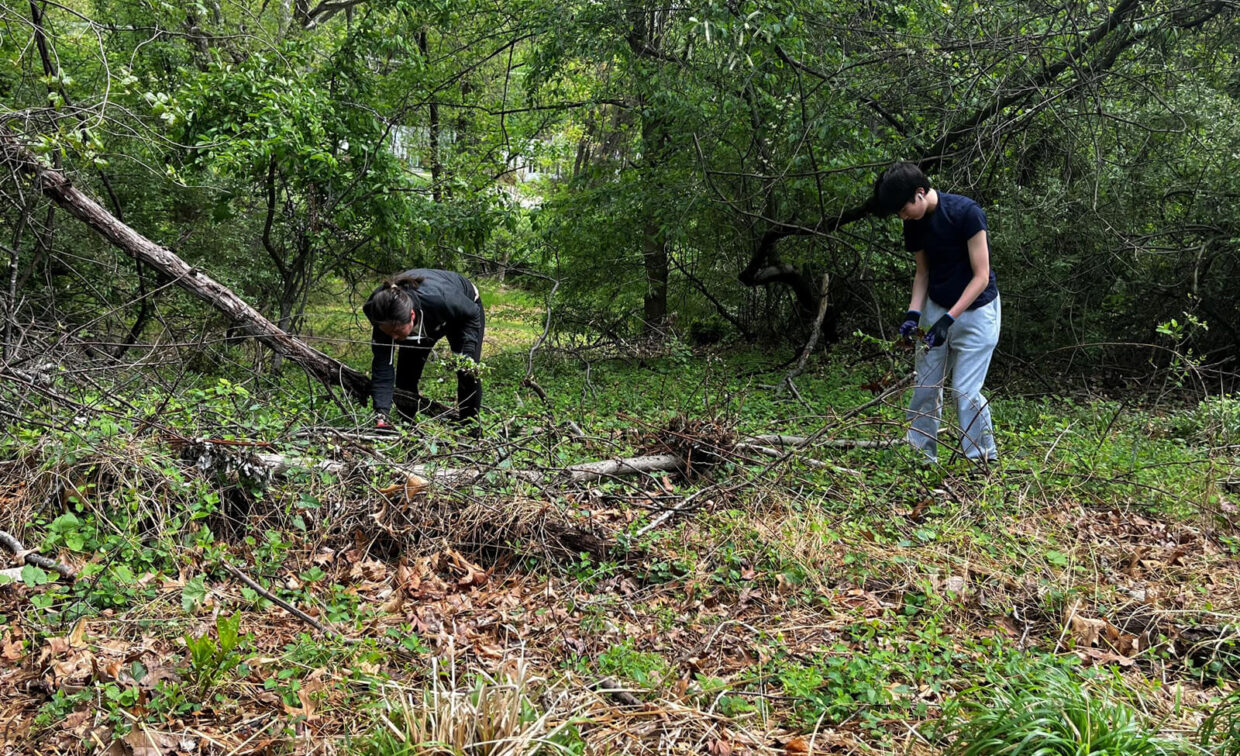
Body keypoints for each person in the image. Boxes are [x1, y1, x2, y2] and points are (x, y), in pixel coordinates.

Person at [872, 162, 1000, 464]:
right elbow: (922, 272)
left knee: (965, 392)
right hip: (937, 305)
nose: (901, 216)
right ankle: (921, 458)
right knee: (926, 387)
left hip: (977, 310)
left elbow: (981, 275)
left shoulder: (966, 213)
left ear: (919, 193)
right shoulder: (913, 223)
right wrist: (913, 314)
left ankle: (981, 460)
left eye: (902, 208)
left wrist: (949, 319)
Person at [362, 269, 485, 430]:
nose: (394, 338)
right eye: (388, 333)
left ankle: (470, 430)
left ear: (412, 316)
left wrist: (467, 353)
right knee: (406, 378)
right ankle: (408, 428)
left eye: (397, 332)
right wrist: (381, 412)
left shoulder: (440, 299)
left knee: (467, 371)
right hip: (421, 317)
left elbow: (472, 313)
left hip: (463, 312)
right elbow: (383, 364)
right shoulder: (380, 311)